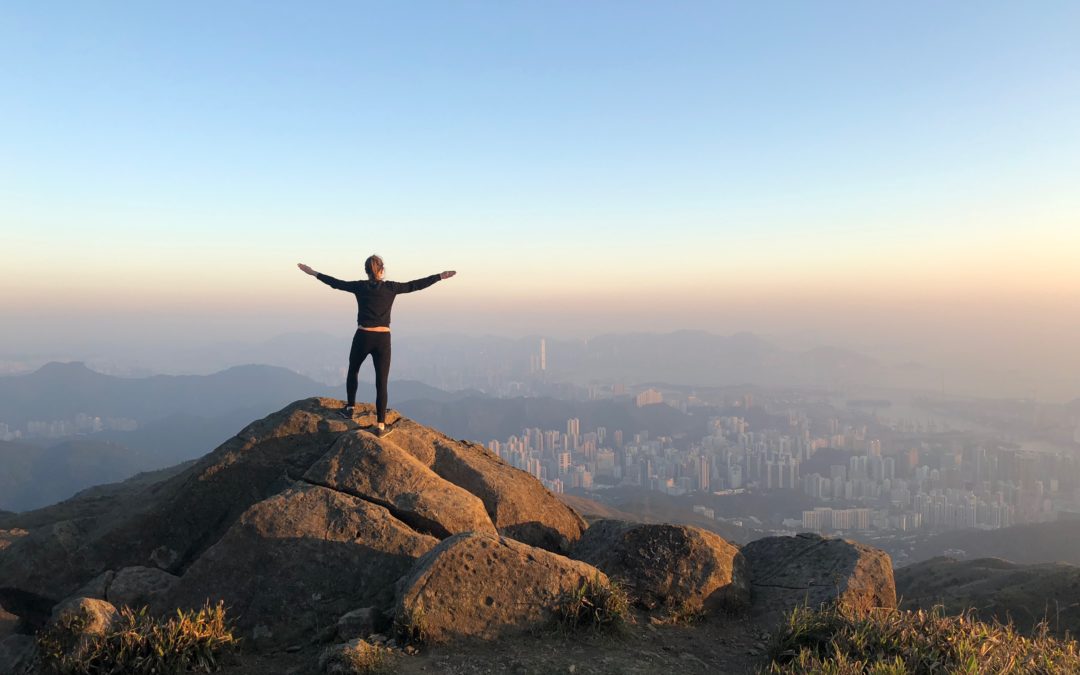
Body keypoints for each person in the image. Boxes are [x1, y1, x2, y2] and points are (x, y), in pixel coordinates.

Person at [297, 256, 456, 436]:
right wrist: (439, 276)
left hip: (363, 336)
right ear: (382, 270)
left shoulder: (360, 286)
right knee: (381, 382)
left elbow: (335, 283)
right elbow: (415, 285)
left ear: (366, 271)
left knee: (353, 370)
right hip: (382, 338)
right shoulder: (391, 287)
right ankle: (381, 425)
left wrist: (313, 273)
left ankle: (349, 408)